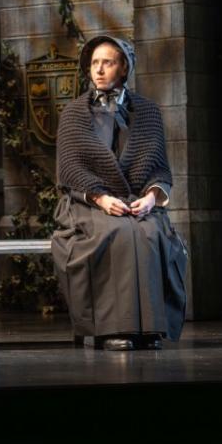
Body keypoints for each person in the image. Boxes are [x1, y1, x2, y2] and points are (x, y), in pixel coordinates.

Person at [52, 35, 188, 351]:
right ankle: (111, 330)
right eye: (94, 63)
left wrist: (151, 198)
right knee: (114, 233)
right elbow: (69, 170)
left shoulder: (148, 112)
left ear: (123, 68)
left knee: (149, 231)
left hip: (135, 200)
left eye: (107, 62)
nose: (98, 70)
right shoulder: (73, 113)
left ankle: (149, 328)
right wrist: (100, 197)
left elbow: (159, 168)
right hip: (87, 201)